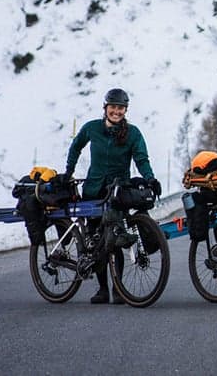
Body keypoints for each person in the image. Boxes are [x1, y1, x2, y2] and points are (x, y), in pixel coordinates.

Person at [64, 88, 161, 304]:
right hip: (93, 191)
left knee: (115, 239)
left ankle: (118, 289)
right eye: (113, 107)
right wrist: (68, 172)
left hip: (118, 191)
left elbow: (141, 158)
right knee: (95, 240)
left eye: (120, 108)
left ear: (125, 110)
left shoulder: (133, 133)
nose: (116, 111)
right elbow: (75, 147)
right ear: (105, 108)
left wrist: (150, 178)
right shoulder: (92, 128)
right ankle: (102, 289)